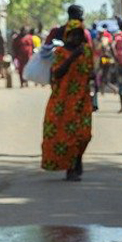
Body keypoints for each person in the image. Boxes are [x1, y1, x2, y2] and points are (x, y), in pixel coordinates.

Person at [41, 12, 93, 181]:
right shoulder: (60, 53)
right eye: (73, 34)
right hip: (62, 100)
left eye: (79, 34)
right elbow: (57, 74)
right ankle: (71, 168)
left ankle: (77, 160)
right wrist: (72, 58)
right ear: (67, 35)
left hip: (82, 99)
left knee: (84, 135)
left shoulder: (87, 51)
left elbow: (91, 73)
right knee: (66, 135)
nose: (76, 38)